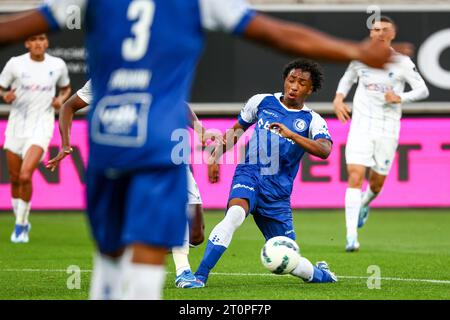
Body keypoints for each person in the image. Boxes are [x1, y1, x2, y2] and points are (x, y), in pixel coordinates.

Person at [0, 0, 406, 299]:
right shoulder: (202, 5)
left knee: (111, 257)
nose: (293, 84)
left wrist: (214, 143)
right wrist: (354, 50)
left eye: (302, 82)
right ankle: (192, 275)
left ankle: (310, 273)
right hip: (163, 147)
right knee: (159, 249)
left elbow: (17, 25)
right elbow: (277, 34)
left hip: (110, 142)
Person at [46, 80, 210, 289]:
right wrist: (66, 144)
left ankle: (153, 244)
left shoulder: (154, 69)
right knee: (173, 209)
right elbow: (68, 106)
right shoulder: (104, 74)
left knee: (197, 234)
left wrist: (199, 129)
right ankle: (183, 272)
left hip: (170, 150)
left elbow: (178, 103)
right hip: (135, 156)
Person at [195, 59, 337, 286]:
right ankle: (199, 276)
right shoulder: (262, 102)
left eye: (301, 83)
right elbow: (235, 132)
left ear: (310, 89)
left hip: (277, 194)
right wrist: (215, 155)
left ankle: (323, 275)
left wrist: (292, 135)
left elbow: (325, 149)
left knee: (290, 261)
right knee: (234, 215)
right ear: (284, 80)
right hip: (250, 173)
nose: (294, 86)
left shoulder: (313, 120)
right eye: (291, 80)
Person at [332, 16, 429, 252]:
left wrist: (400, 97)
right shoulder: (360, 58)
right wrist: (338, 98)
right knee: (354, 176)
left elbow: (422, 89)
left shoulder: (402, 62)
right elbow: (348, 78)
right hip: (361, 125)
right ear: (371, 33)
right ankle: (351, 236)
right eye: (376, 29)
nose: (380, 33)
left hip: (387, 128)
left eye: (385, 29)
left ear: (392, 35)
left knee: (376, 184)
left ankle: (366, 203)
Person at [0, 33, 71, 243]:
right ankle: (20, 219)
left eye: (42, 39)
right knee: (14, 178)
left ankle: (21, 225)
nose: (38, 43)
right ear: (27, 43)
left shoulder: (57, 64)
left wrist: (61, 99)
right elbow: (1, 86)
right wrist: (5, 96)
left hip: (42, 125)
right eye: (34, 40)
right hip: (16, 125)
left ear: (46, 42)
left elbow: (66, 88)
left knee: (24, 175)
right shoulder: (15, 64)